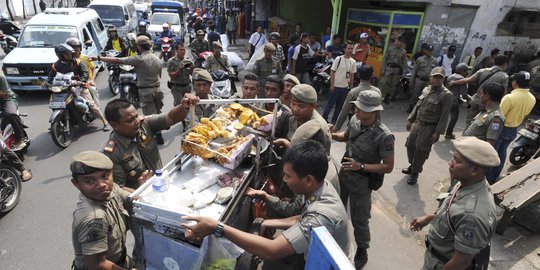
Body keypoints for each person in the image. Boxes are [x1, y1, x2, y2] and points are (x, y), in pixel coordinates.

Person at [182, 140, 352, 265]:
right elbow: (302, 218)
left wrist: (217, 227)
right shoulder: (320, 187)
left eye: (288, 176)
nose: (284, 181)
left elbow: (272, 250)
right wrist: (269, 222)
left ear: (308, 180)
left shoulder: (322, 214)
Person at [410, 137, 499, 270]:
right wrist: (430, 218)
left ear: (474, 170)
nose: (450, 163)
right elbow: (452, 212)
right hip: (436, 257)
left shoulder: (473, 215)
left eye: (457, 161)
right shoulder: (467, 182)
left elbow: (461, 262)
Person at [331, 90, 394, 269]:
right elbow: (346, 136)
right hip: (344, 175)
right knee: (335, 209)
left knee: (360, 219)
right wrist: (332, 134)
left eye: (362, 109)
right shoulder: (354, 121)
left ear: (374, 111)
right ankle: (334, 238)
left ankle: (362, 249)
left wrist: (362, 166)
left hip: (362, 183)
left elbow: (388, 166)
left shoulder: (384, 136)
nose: (357, 111)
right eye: (357, 107)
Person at [70, 151, 149, 270]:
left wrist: (144, 190)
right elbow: (97, 265)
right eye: (90, 181)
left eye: (105, 176)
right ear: (76, 184)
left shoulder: (109, 190)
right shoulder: (94, 218)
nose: (101, 184)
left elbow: (128, 196)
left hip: (120, 260)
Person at [102, 95, 198, 191]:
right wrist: (141, 190)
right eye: (130, 120)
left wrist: (183, 107)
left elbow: (170, 118)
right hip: (141, 197)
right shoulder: (111, 153)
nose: (137, 122)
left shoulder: (144, 124)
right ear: (114, 125)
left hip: (163, 183)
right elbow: (118, 189)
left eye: (136, 116)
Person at [404, 67, 453, 185]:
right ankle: (412, 165)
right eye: (435, 77)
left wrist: (438, 132)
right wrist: (410, 119)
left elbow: (444, 115)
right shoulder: (426, 89)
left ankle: (415, 172)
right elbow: (418, 105)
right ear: (430, 77)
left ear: (443, 79)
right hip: (418, 123)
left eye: (439, 78)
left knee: (421, 150)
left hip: (430, 127)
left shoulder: (446, 95)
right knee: (410, 145)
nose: (437, 80)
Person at [485, 71, 536, 183]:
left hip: (501, 129)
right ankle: (494, 177)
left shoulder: (509, 97)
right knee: (502, 153)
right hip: (514, 130)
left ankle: (486, 178)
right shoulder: (532, 98)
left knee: (491, 154)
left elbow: (498, 116)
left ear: (515, 82)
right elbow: (525, 115)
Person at [49, 43, 110, 131]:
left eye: (70, 53)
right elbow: (51, 77)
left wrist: (80, 81)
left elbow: (85, 73)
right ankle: (58, 122)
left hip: (80, 87)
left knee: (90, 104)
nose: (70, 55)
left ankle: (105, 121)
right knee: (55, 103)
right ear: (61, 55)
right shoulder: (55, 66)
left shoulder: (77, 62)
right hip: (65, 88)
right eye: (67, 54)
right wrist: (47, 83)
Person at [449, 55, 509, 130]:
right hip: (487, 105)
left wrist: (454, 82)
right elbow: (504, 93)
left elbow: (467, 80)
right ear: (504, 64)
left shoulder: (482, 71)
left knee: (469, 122)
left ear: (494, 62)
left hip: (475, 101)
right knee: (480, 125)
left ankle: (465, 137)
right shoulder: (504, 76)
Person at [66, 37, 106, 123]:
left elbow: (93, 69)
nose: (75, 49)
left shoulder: (84, 58)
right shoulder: (65, 61)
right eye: (72, 47)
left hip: (86, 82)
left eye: (77, 47)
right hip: (72, 83)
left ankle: (98, 111)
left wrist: (92, 80)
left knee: (92, 90)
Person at [333, 64, 381, 131]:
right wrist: (379, 127)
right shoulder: (377, 91)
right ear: (372, 75)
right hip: (373, 127)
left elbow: (344, 112)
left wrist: (336, 128)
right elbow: (378, 112)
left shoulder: (353, 92)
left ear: (358, 75)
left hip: (356, 126)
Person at [322, 40, 356, 124]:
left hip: (345, 88)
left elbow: (352, 75)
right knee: (329, 105)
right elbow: (332, 71)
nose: (350, 50)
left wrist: (351, 87)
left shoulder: (353, 62)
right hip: (336, 86)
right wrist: (332, 85)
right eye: (348, 48)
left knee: (339, 107)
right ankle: (323, 120)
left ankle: (334, 122)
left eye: (351, 49)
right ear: (344, 49)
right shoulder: (339, 59)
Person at [0, 74, 28, 150]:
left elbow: (5, 94)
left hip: (7, 99)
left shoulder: (1, 78)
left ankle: (20, 138)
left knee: (10, 114)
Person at [408, 44, 437, 113]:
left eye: (431, 51)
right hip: (419, 79)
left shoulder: (434, 61)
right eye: (428, 51)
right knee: (415, 94)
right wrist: (411, 80)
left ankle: (418, 109)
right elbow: (414, 70)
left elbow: (434, 72)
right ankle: (411, 106)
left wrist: (432, 81)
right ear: (426, 51)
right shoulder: (420, 59)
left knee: (424, 95)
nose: (429, 52)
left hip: (428, 81)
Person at [444, 63, 470, 139]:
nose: (466, 73)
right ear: (462, 71)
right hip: (454, 102)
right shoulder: (463, 80)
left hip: (446, 99)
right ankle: (449, 133)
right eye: (466, 71)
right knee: (454, 118)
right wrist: (469, 99)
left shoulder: (450, 76)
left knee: (442, 116)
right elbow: (464, 94)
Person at [380, 36, 408, 105]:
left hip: (397, 69)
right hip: (389, 68)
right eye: (398, 41)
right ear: (397, 41)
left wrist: (404, 73)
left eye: (401, 42)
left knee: (393, 85)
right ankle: (379, 95)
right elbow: (385, 59)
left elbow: (404, 63)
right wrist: (383, 68)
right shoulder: (390, 49)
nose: (399, 43)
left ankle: (387, 97)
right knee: (383, 82)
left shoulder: (403, 51)